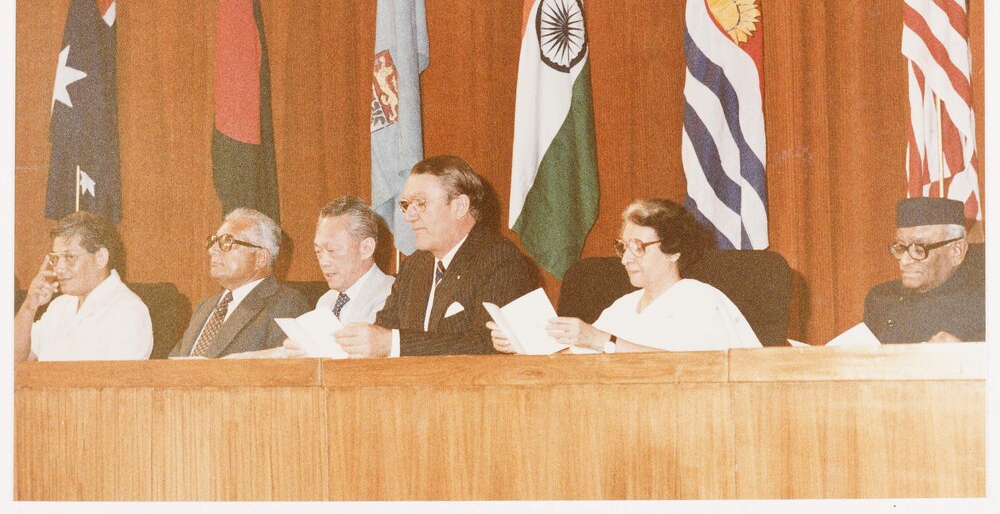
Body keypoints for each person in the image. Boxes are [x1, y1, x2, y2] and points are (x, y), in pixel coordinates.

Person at [491, 199, 761, 354]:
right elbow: (578, 358)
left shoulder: (702, 301)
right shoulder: (622, 308)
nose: (625, 259)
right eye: (623, 247)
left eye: (639, 248)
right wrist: (521, 343)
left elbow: (695, 372)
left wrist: (601, 340)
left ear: (673, 252)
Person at [335, 155, 535, 357]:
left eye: (420, 203)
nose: (408, 216)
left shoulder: (499, 259)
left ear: (460, 206)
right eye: (406, 205)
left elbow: (486, 344)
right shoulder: (414, 265)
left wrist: (395, 344)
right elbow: (382, 332)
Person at [231, 196, 396, 358]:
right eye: (318, 251)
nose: (323, 261)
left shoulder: (393, 295)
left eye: (331, 250)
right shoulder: (327, 300)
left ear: (366, 248)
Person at [169, 208, 310, 358]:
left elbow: (282, 373)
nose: (213, 250)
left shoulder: (287, 304)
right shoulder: (206, 307)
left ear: (260, 258)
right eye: (214, 241)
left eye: (227, 241)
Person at [15, 211, 153, 361]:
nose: (59, 268)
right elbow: (12, 361)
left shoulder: (128, 311)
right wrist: (29, 307)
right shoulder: (58, 307)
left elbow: (119, 382)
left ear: (101, 258)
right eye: (56, 258)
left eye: (70, 257)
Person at [863, 197, 984, 343]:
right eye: (900, 247)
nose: (904, 261)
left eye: (920, 249)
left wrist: (964, 353)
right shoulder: (881, 299)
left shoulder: (986, 302)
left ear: (956, 251)